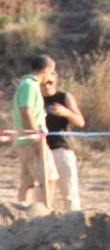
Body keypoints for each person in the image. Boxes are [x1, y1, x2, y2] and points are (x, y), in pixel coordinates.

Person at [12, 53, 56, 206]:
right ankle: (44, 212)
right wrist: (36, 137)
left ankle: (22, 210)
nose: (51, 76)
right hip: (31, 140)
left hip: (25, 140)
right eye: (51, 72)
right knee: (49, 178)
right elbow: (26, 111)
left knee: (28, 181)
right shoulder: (29, 86)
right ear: (45, 70)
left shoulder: (29, 85)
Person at [41, 73, 85, 211]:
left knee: (69, 193)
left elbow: (80, 122)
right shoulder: (36, 98)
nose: (47, 86)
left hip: (60, 147)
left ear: (55, 80)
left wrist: (66, 113)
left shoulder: (63, 97)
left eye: (50, 82)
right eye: (43, 83)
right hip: (41, 149)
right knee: (44, 195)